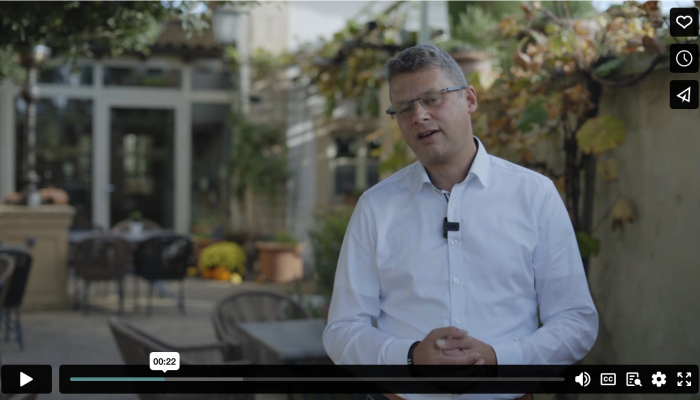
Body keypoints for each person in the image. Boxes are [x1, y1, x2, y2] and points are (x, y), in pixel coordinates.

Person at [322, 44, 599, 400]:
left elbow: (576, 321)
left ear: (469, 99)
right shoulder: (375, 207)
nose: (419, 116)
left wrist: (500, 360)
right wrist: (409, 359)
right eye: (404, 108)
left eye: (432, 99)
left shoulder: (534, 195)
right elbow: (342, 330)